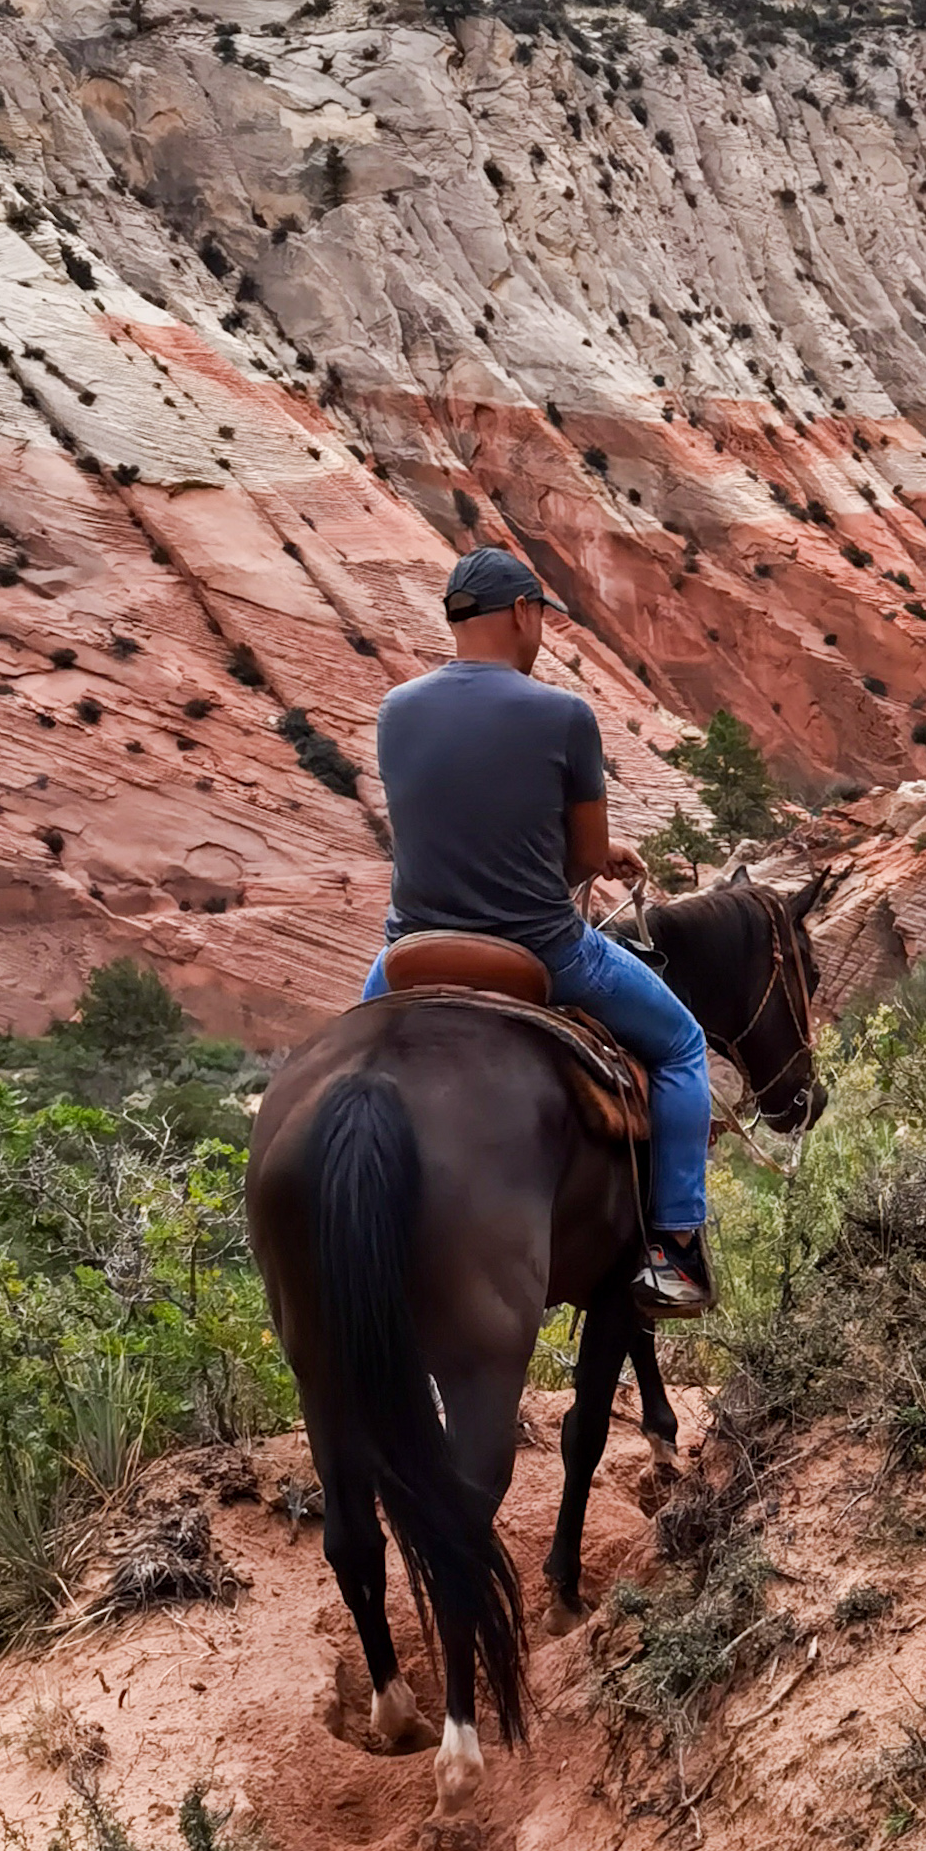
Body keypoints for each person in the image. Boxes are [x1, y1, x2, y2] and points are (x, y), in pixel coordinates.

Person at [362, 546, 714, 1316]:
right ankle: (677, 1250)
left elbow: (453, 825)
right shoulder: (563, 715)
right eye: (542, 618)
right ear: (524, 612)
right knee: (683, 1046)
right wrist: (593, 853)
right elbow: (580, 860)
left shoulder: (396, 710)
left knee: (349, 1059)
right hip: (541, 953)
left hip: (410, 953)